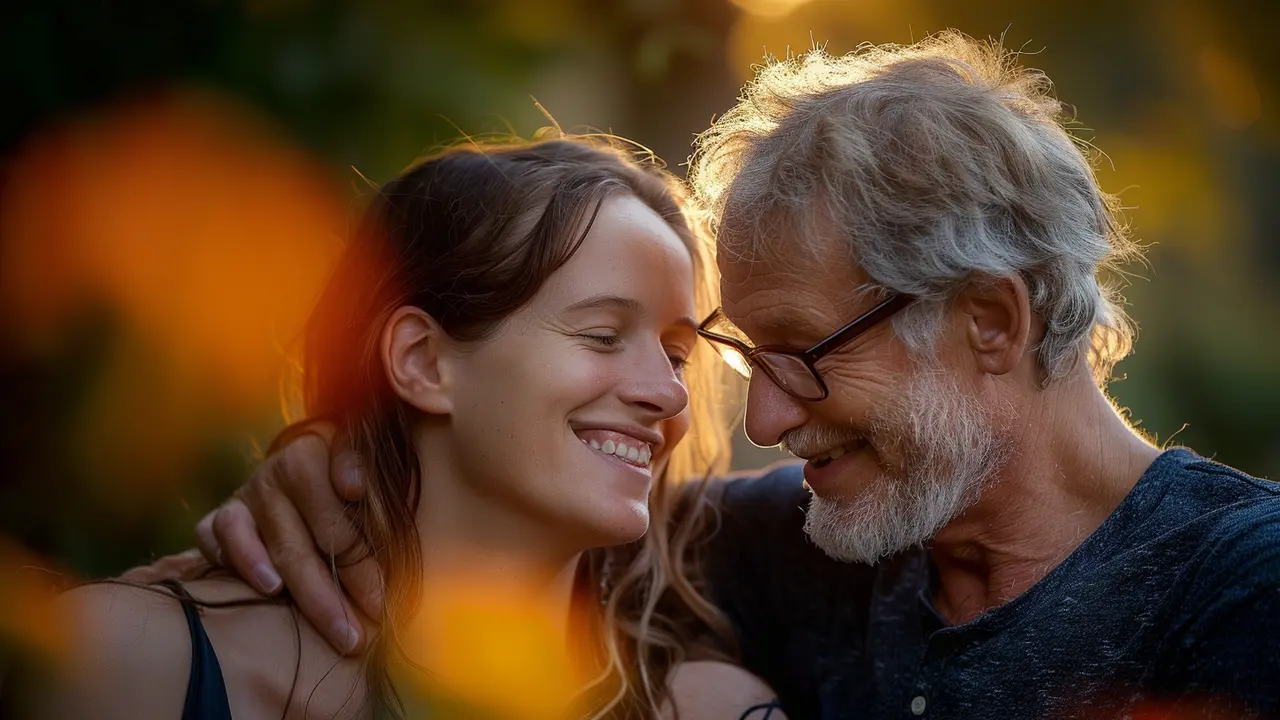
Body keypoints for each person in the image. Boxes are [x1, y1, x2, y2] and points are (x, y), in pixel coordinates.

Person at [172, 32, 1280, 719]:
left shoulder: (1240, 595)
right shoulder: (784, 544)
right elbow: (505, 508)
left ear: (988, 320)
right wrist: (340, 463)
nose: (759, 415)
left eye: (796, 353)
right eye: (742, 356)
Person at [23, 137, 786, 719]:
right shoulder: (124, 664)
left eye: (678, 353)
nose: (666, 394)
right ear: (423, 361)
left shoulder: (716, 707)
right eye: (601, 335)